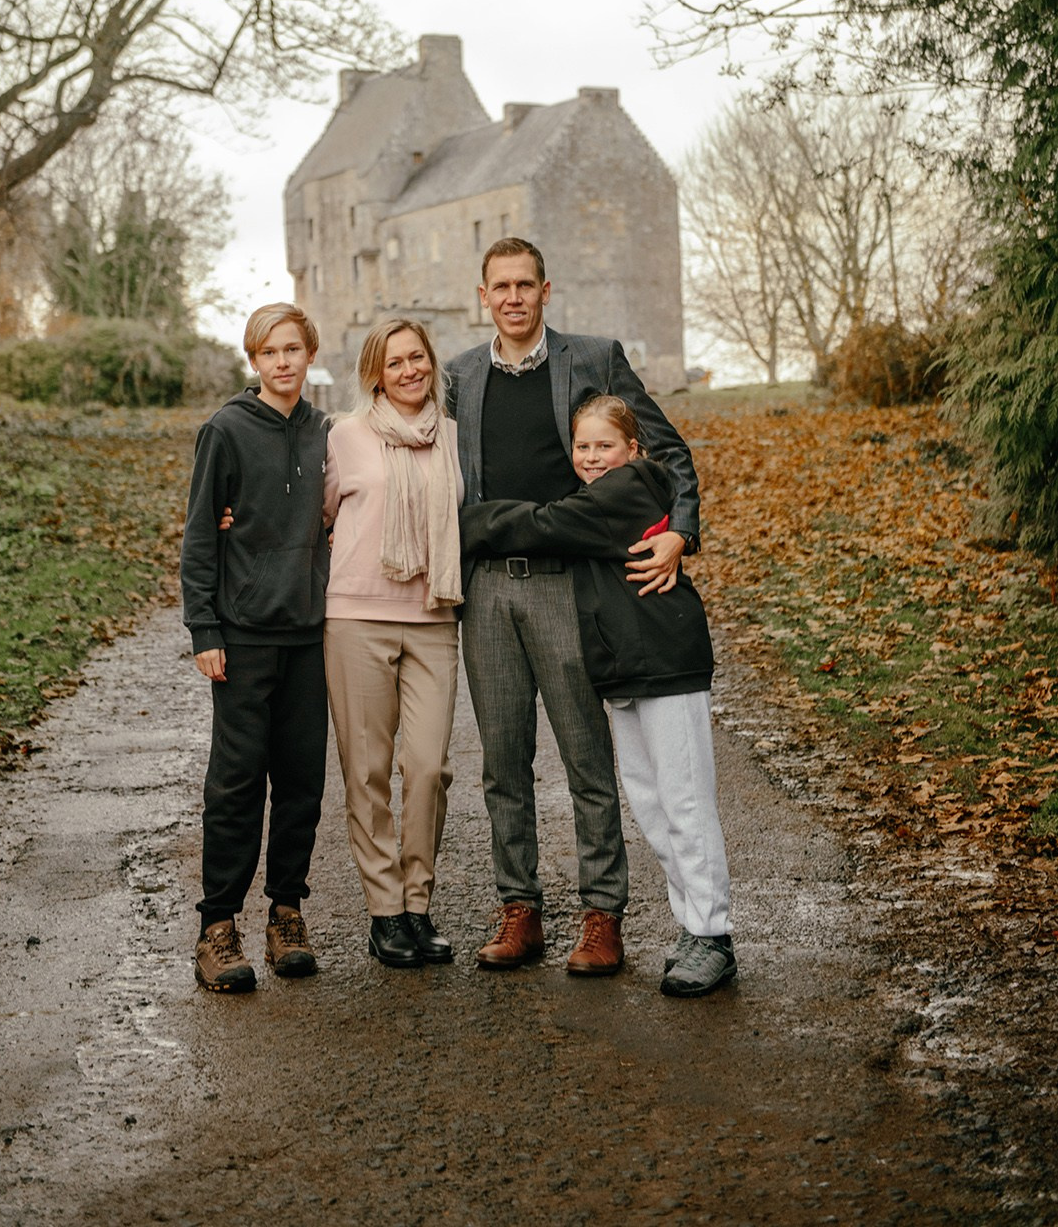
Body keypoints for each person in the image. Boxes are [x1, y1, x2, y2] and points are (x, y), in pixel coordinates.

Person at [448, 237, 701, 976]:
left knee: (587, 757)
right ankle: (519, 908)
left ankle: (601, 915)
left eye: (525, 285)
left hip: (569, 583)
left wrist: (680, 532)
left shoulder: (592, 358)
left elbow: (667, 450)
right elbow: (415, 459)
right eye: (500, 287)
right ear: (483, 296)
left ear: (545, 290)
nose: (513, 297)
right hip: (488, 589)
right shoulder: (459, 376)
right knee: (503, 760)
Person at [461, 394, 736, 998]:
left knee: (684, 801)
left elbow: (541, 525)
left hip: (666, 661)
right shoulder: (602, 491)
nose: (591, 457)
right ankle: (693, 925)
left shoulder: (627, 488)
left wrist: (459, 523)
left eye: (604, 445)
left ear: (632, 449)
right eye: (582, 446)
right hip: (628, 668)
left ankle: (712, 934)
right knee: (652, 804)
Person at [180, 303, 330, 993]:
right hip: (242, 635)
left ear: (309, 354)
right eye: (269, 351)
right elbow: (200, 534)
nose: (282, 362)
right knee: (237, 782)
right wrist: (204, 628)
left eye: (292, 349)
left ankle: (286, 914)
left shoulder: (327, 432)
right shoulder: (226, 430)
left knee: (301, 781)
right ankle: (217, 925)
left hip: (309, 634)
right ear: (253, 360)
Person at [323, 318, 464, 968]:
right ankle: (386, 912)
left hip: (434, 617)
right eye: (395, 362)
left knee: (429, 767)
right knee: (368, 770)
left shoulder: (454, 437)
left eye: (418, 358)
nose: (410, 370)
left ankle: (417, 903)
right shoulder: (344, 436)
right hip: (357, 618)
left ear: (431, 363)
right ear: (375, 375)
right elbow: (316, 515)